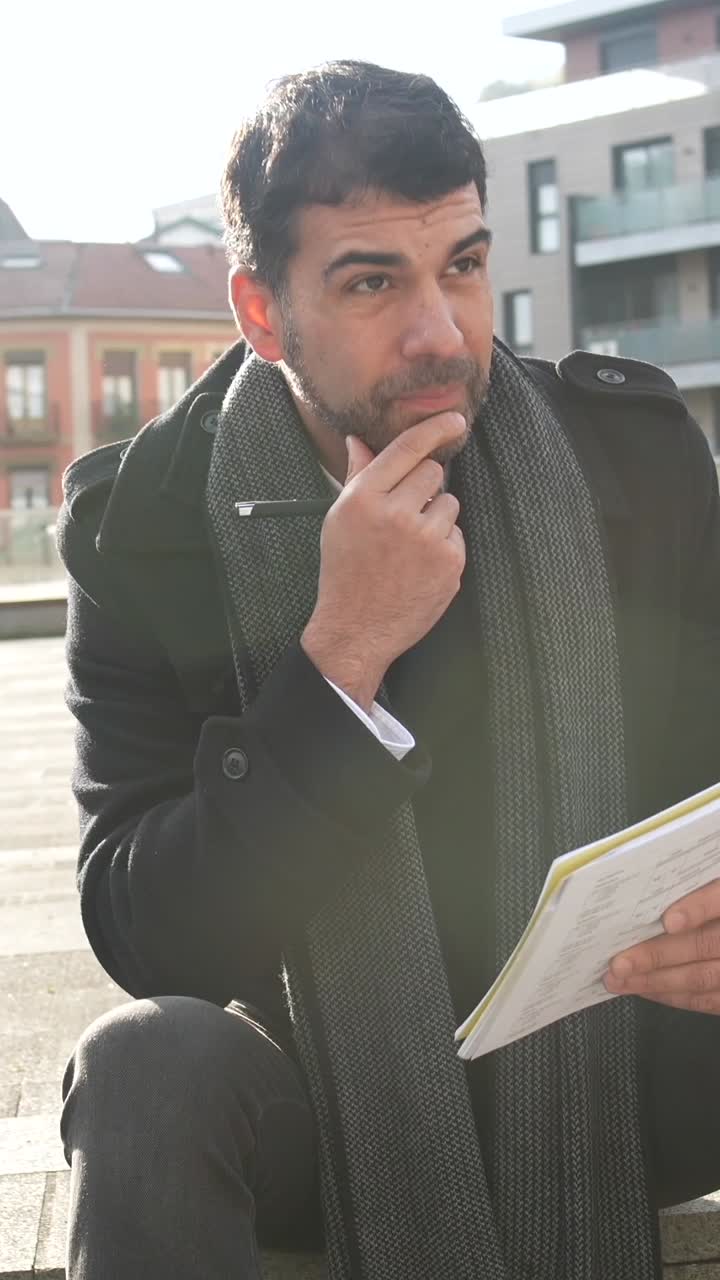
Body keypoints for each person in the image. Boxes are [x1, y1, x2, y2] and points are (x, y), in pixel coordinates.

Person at [58, 61, 720, 1280]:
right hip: (329, 1090)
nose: (439, 331)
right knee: (144, 1065)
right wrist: (340, 656)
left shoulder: (634, 461)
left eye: (462, 265)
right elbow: (150, 929)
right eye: (372, 281)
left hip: (628, 1050)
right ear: (262, 313)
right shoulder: (143, 523)